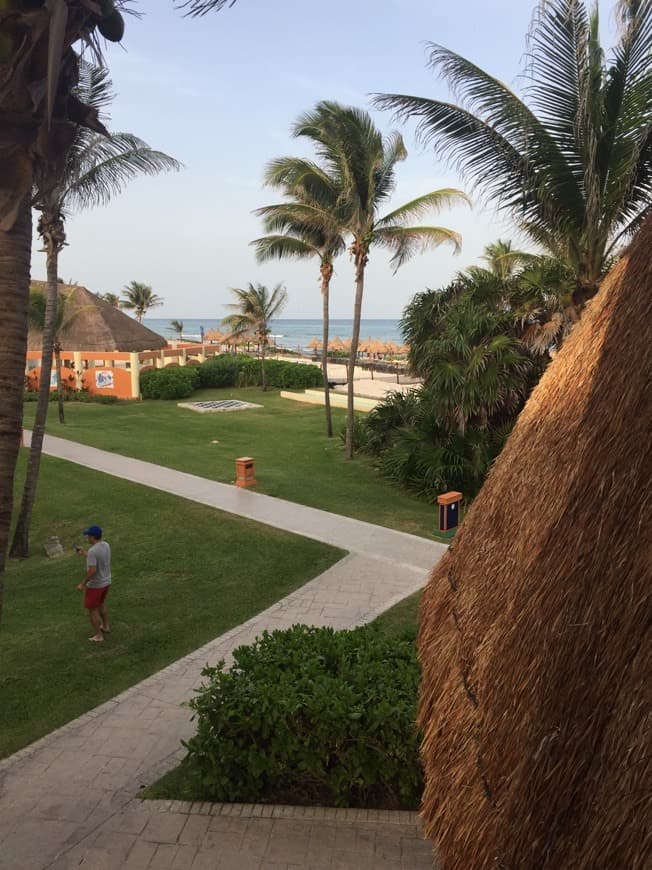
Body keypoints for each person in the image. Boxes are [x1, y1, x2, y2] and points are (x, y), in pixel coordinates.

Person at [76, 525, 111, 642]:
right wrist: (84, 553)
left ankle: (98, 636)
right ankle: (105, 626)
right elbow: (97, 558)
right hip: (106, 582)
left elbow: (92, 570)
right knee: (101, 603)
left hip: (96, 585)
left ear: (92, 537)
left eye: (88, 536)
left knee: (92, 610)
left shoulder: (93, 551)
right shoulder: (106, 545)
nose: (87, 538)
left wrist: (83, 584)